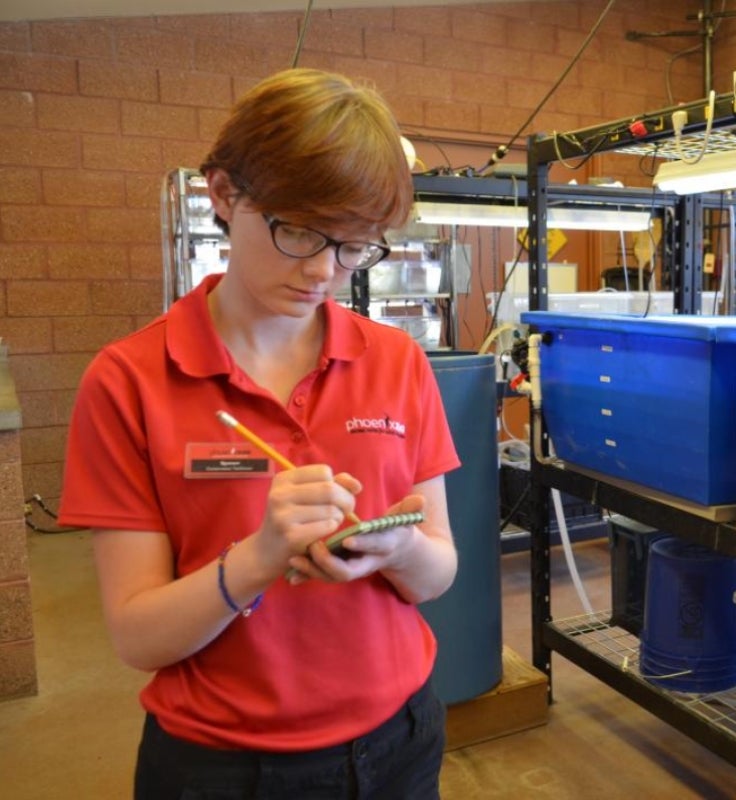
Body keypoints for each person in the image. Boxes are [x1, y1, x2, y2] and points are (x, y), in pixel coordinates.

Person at [59, 68, 460, 799]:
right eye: (297, 230)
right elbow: (137, 636)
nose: (320, 271)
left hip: (400, 739)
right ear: (223, 195)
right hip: (224, 767)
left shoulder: (396, 361)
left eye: (353, 246)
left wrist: (397, 546)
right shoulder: (129, 381)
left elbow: (439, 574)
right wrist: (258, 558)